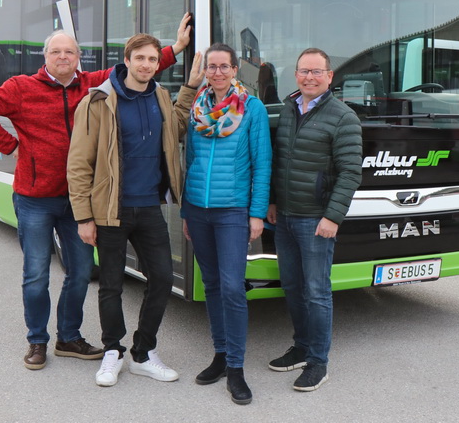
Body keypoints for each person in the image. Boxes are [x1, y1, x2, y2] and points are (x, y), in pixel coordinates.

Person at [0, 15, 191, 371]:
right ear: (46, 56)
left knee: (82, 271)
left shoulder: (92, 84)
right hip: (36, 196)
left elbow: (136, 67)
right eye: (56, 51)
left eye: (70, 51)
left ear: (78, 56)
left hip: (79, 200)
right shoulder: (21, 87)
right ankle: (37, 340)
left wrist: (174, 48)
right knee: (37, 272)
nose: (63, 56)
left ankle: (68, 336)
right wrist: (11, 145)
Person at [68, 34, 204, 388]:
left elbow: (173, 130)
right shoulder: (98, 100)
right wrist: (84, 216)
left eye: (152, 60)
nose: (146, 65)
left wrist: (188, 88)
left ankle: (143, 353)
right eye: (140, 58)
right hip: (110, 209)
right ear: (126, 60)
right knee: (111, 284)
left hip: (148, 207)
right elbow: (79, 163)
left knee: (161, 279)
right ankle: (113, 351)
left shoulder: (160, 95)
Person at [266, 47, 362, 392]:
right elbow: (280, 162)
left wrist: (333, 217)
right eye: (304, 71)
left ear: (329, 76)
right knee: (292, 287)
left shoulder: (343, 116)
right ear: (296, 75)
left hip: (316, 221)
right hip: (286, 217)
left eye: (316, 72)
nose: (309, 77)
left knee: (317, 291)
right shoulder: (289, 110)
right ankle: (301, 347)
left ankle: (319, 362)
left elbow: (351, 173)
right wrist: (274, 202)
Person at [182, 44, 271, 405]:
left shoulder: (252, 108)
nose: (217, 72)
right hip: (198, 209)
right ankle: (220, 355)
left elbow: (262, 164)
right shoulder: (196, 108)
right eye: (211, 66)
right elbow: (188, 158)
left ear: (235, 70)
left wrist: (256, 214)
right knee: (214, 285)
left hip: (233, 210)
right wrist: (187, 211)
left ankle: (236, 368)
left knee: (234, 288)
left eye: (224, 66)